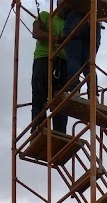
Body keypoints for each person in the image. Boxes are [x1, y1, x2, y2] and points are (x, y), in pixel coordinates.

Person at [30, 0, 70, 134]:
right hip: (44, 58)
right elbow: (36, 33)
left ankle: (60, 133)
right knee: (40, 96)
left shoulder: (68, 24)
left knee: (61, 99)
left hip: (62, 62)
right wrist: (56, 38)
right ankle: (39, 129)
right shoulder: (46, 15)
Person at [62, 5, 101, 93]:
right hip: (93, 18)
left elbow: (62, 5)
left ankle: (74, 91)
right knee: (90, 63)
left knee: (74, 58)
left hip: (75, 18)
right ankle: (93, 95)